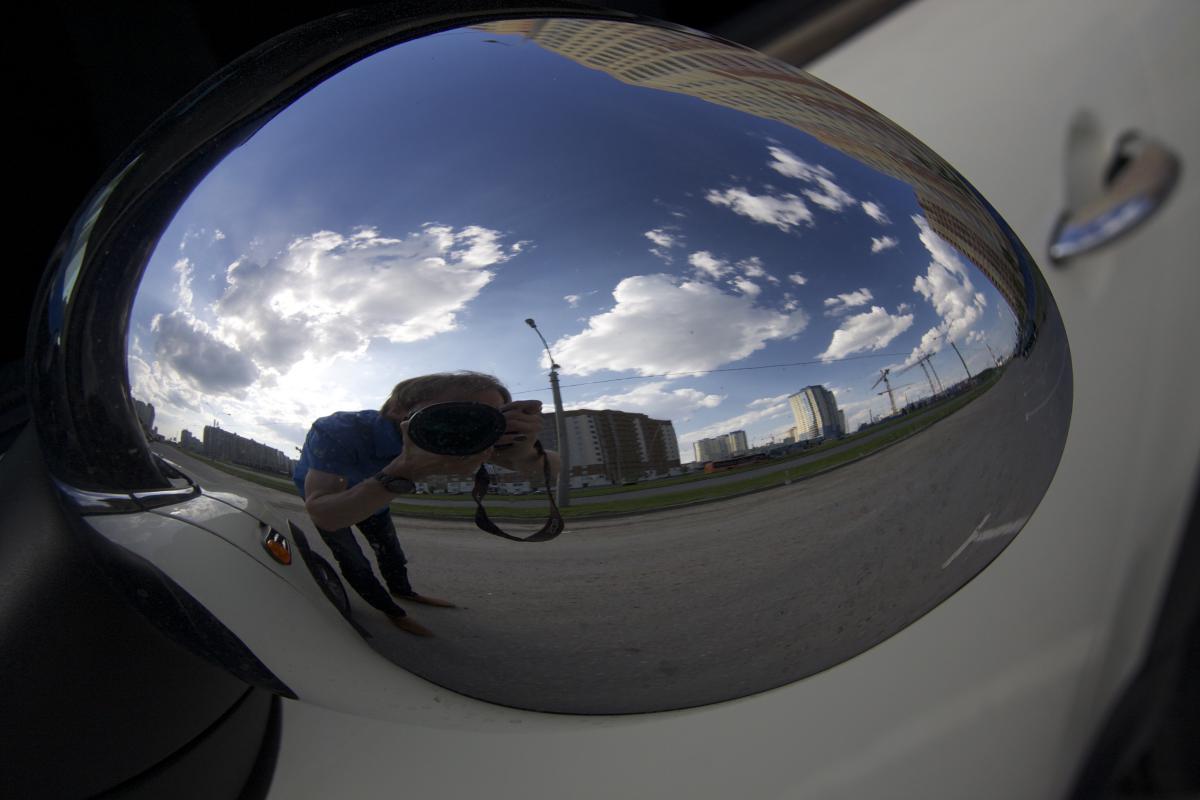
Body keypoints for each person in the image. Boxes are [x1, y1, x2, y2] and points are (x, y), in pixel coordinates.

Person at [292, 371, 559, 637]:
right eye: (455, 413)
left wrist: (524, 453)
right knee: (353, 559)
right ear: (398, 409)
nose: (467, 427)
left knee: (391, 553)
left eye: (487, 418)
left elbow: (552, 467)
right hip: (333, 499)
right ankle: (391, 611)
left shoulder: (469, 432)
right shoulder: (340, 430)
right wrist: (405, 470)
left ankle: (403, 592)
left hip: (377, 500)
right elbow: (327, 516)